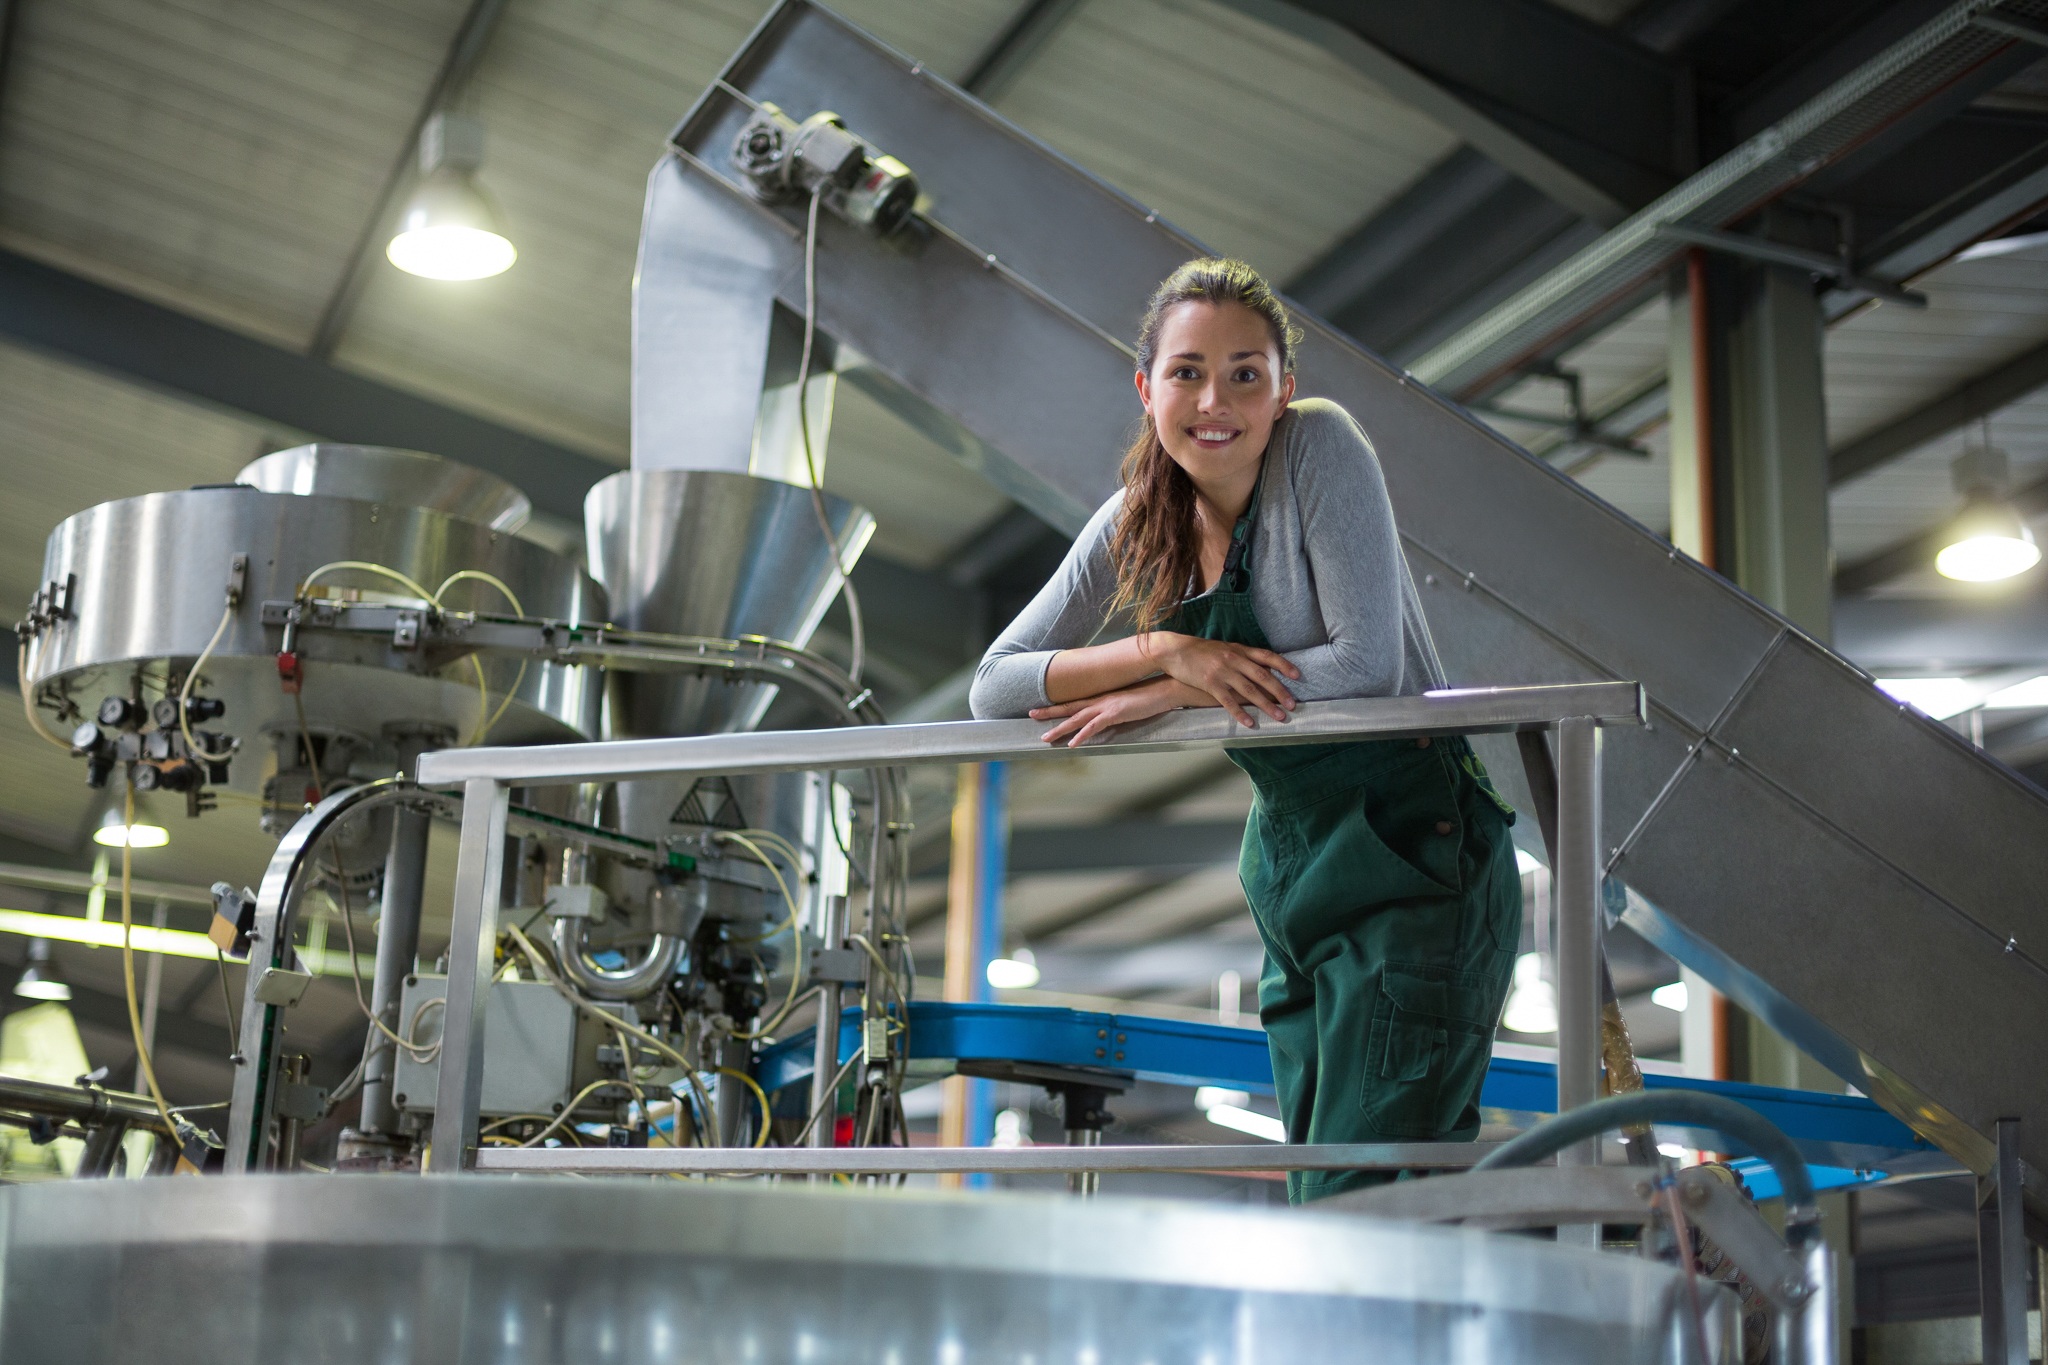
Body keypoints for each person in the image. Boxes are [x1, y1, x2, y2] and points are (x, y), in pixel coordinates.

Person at [969, 258, 1520, 1204]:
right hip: (1299, 882)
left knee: (1371, 1198)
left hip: (1418, 860)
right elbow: (994, 686)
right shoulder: (1139, 520)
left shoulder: (1322, 451)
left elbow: (1364, 666)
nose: (1213, 399)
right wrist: (1165, 651)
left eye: (1245, 373)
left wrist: (1174, 697)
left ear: (1283, 391)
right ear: (1147, 390)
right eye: (1186, 372)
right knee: (1321, 1194)